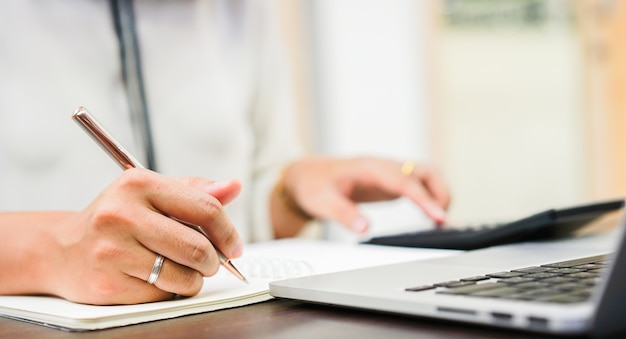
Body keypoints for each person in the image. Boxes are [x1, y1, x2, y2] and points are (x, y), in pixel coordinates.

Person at [0, 0, 450, 305]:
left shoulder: (243, 9)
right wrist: (53, 250)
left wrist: (290, 190)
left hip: (215, 336)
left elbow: (246, 208)